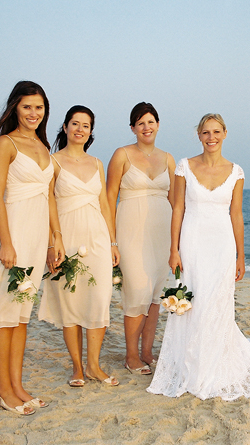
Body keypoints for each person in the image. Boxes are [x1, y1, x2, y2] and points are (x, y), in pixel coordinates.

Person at [147, 113, 250, 400]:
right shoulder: (184, 166)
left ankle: (215, 366)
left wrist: (240, 255)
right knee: (193, 301)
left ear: (225, 133)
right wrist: (174, 249)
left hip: (221, 244)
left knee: (216, 301)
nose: (211, 137)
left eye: (216, 132)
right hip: (192, 241)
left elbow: (236, 214)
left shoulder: (236, 171)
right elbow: (178, 209)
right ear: (199, 135)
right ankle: (190, 367)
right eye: (206, 132)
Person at [0, 81, 61, 415]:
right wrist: (6, 242)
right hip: (14, 234)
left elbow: (49, 197)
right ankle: (3, 390)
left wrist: (53, 241)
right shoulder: (6, 144)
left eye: (39, 107)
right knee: (5, 313)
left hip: (36, 236)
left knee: (21, 315)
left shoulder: (43, 147)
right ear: (15, 108)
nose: (34, 113)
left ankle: (17, 386)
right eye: (27, 107)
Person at [39, 106, 120, 387]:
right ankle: (76, 367)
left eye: (86, 125)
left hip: (97, 237)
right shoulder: (53, 162)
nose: (80, 129)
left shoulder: (97, 163)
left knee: (99, 301)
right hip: (67, 238)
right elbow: (47, 203)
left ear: (90, 131)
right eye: (75, 123)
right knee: (70, 303)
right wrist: (53, 242)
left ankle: (94, 366)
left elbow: (105, 205)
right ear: (64, 127)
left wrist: (112, 241)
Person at [106, 102, 175, 375]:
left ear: (158, 125)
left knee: (155, 293)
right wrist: (111, 241)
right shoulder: (121, 155)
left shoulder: (168, 159)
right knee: (136, 290)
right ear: (133, 128)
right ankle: (131, 355)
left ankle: (147, 351)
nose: (146, 127)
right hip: (131, 230)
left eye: (151, 122)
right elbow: (110, 198)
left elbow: (175, 201)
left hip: (162, 232)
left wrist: (177, 241)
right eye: (140, 123)